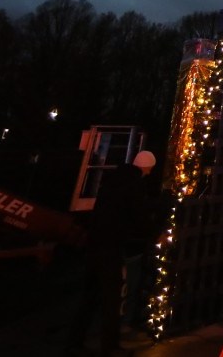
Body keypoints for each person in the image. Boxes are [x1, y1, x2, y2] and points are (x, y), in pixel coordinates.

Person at [65, 150, 158, 357]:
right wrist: (152, 232)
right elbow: (138, 214)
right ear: (146, 166)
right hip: (111, 246)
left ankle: (74, 341)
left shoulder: (112, 181)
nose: (150, 173)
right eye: (150, 168)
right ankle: (110, 347)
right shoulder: (133, 185)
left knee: (89, 296)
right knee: (112, 298)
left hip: (95, 244)